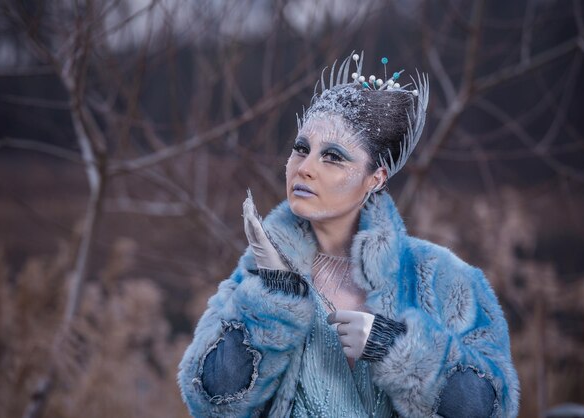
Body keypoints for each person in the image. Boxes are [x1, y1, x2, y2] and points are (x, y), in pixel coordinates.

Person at [178, 52, 520, 418]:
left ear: (376, 178)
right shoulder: (258, 278)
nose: (305, 168)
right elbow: (210, 402)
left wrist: (396, 349)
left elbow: (491, 409)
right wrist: (273, 296)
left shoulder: (445, 281)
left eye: (333, 157)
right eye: (301, 149)